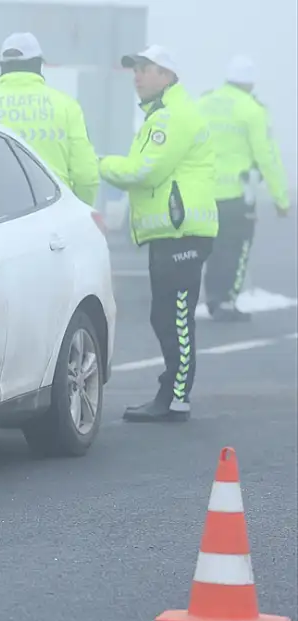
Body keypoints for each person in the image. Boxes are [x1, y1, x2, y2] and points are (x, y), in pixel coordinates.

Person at [100, 45, 219, 424]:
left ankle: (175, 398)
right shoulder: (161, 115)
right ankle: (171, 394)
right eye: (135, 68)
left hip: (183, 232)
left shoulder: (172, 117)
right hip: (169, 233)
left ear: (167, 76)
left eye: (145, 69)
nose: (137, 75)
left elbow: (144, 171)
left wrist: (98, 163)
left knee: (176, 316)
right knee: (163, 316)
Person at [197, 55, 292, 321]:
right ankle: (226, 301)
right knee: (237, 248)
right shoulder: (252, 109)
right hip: (238, 195)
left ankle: (213, 297)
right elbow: (266, 157)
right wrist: (280, 199)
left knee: (213, 248)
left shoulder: (203, 103)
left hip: (204, 192)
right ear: (250, 84)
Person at [0, 33, 100, 206]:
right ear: (39, 65)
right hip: (55, 212)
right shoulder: (66, 107)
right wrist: (80, 210)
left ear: (2, 66)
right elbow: (86, 176)